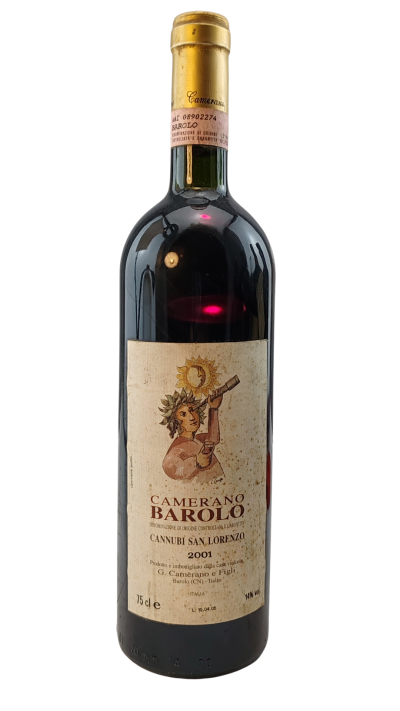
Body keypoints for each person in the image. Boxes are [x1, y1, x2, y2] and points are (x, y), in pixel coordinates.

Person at [160, 390, 224, 484]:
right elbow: (169, 466)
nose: (192, 417)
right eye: (183, 414)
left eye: (193, 410)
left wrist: (213, 409)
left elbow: (214, 439)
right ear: (176, 421)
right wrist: (196, 462)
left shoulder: (198, 439)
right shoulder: (177, 447)